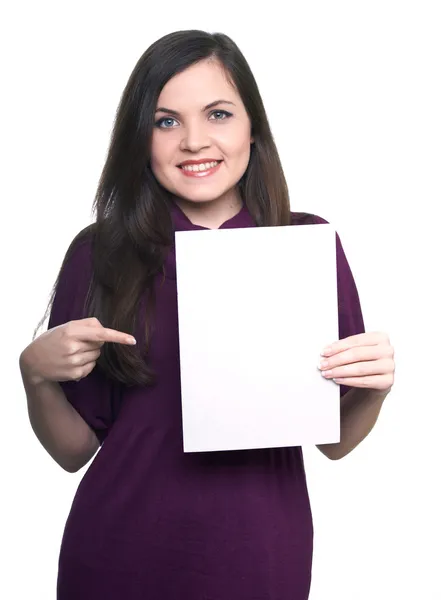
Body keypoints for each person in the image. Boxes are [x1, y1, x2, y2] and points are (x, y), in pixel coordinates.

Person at [19, 29, 395, 600]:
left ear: (252, 127)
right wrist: (36, 375)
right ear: (140, 138)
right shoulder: (101, 252)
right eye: (166, 121)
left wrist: (374, 387)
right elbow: (73, 451)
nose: (194, 141)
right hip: (116, 556)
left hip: (259, 556)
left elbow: (335, 442)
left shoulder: (306, 245)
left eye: (218, 114)